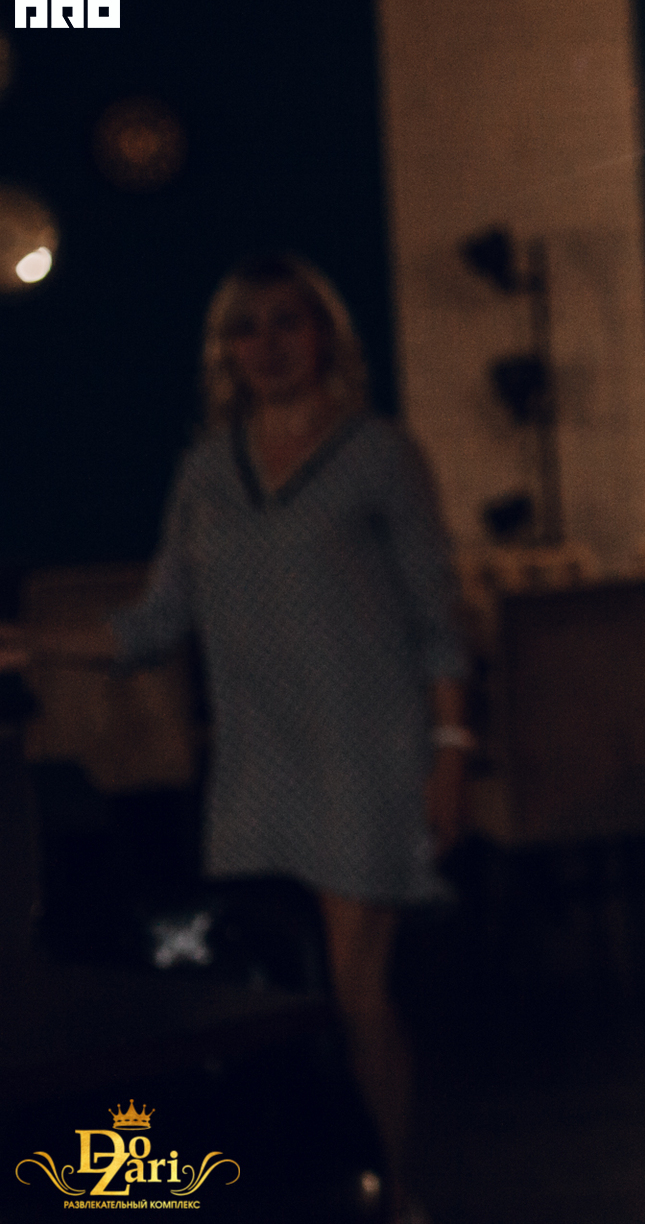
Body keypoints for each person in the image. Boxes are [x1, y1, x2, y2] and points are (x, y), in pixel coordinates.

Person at [2, 253, 468, 1224]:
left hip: (367, 756)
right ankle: (312, 1185)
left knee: (354, 992)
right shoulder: (206, 470)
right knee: (276, 994)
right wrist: (32, 643)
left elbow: (437, 615)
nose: (268, 344)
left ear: (324, 333)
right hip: (257, 765)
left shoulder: (378, 454)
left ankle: (392, 1194)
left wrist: (451, 748)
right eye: (246, 328)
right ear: (225, 351)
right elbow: (155, 621)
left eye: (287, 321)